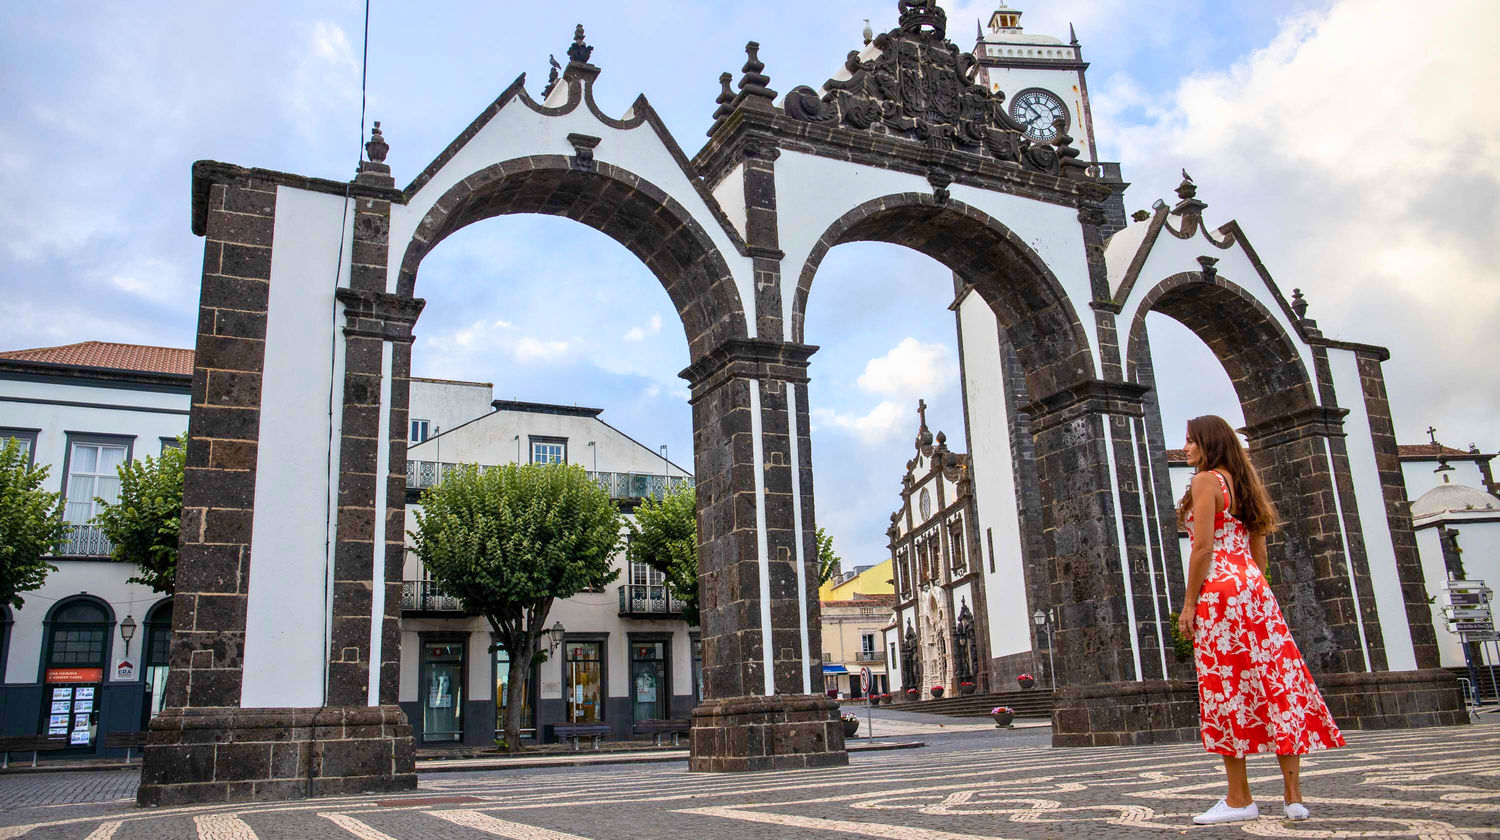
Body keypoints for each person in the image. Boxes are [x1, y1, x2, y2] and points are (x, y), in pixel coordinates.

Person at [1177, 415, 1344, 825]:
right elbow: (1260, 556)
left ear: (1208, 444)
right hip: (1255, 592)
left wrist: (1189, 603)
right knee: (1276, 684)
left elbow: (1201, 549)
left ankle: (1240, 799)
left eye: (1190, 441)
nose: (1186, 448)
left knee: (1226, 690)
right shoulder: (1247, 486)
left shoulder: (1205, 483)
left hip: (1219, 593)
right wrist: (1252, 588)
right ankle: (1293, 797)